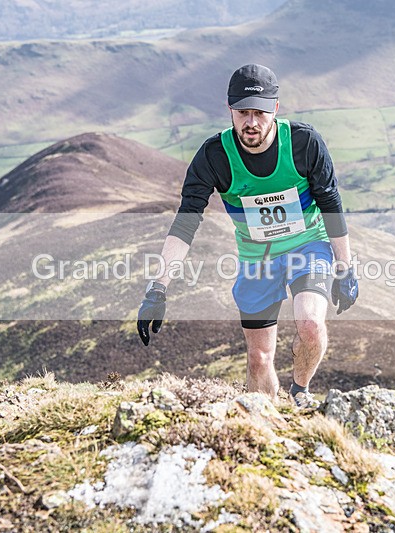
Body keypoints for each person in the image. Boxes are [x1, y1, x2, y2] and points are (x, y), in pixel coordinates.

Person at [137, 64, 358, 409]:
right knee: (258, 358)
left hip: (308, 246)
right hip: (258, 258)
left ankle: (300, 393)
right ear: (230, 110)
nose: (251, 122)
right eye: (243, 112)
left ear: (275, 109)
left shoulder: (303, 143)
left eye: (259, 112)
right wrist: (158, 287)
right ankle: (265, 419)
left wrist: (345, 267)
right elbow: (185, 223)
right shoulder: (214, 157)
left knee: (310, 324)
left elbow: (331, 203)